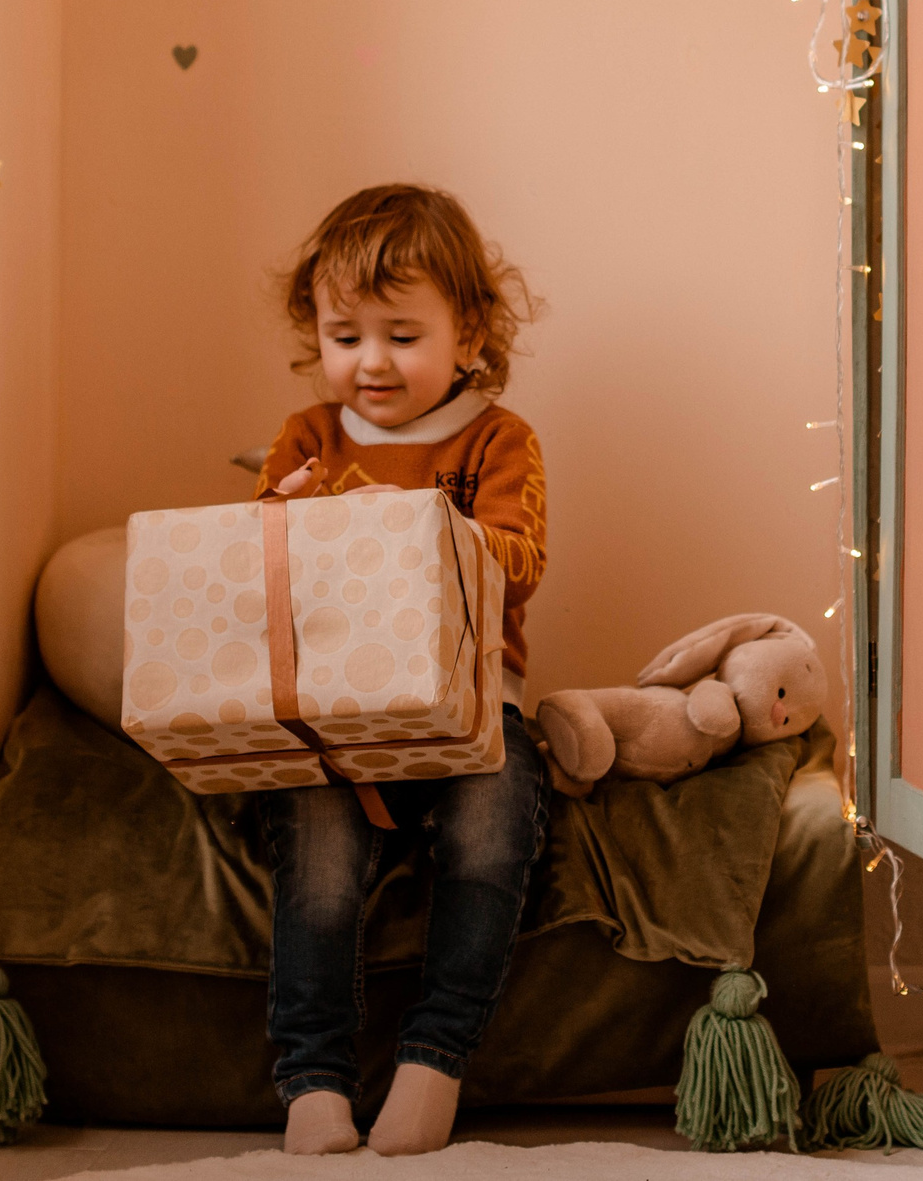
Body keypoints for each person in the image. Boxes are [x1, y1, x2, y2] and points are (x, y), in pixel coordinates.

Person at [245, 183, 549, 1156]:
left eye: (402, 335)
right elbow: (261, 577)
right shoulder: (308, 436)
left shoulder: (498, 437)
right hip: (336, 722)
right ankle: (315, 1078)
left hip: (470, 709)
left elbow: (520, 559)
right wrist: (282, 513)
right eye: (346, 334)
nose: (370, 361)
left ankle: (435, 1057)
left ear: (469, 334)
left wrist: (413, 527)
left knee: (496, 821)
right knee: (316, 847)